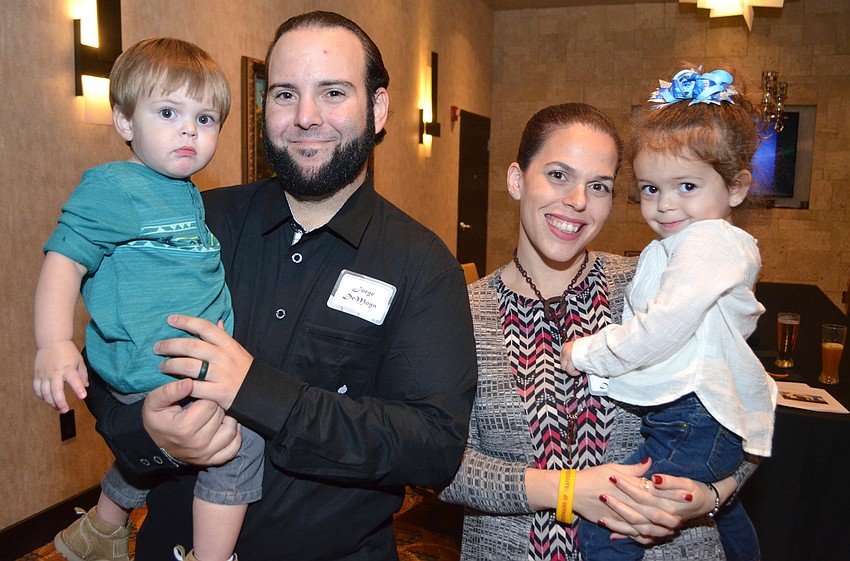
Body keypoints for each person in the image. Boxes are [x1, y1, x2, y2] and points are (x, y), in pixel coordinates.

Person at [82, 11, 478, 561]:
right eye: (285, 94)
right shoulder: (196, 223)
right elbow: (106, 350)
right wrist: (146, 431)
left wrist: (258, 393)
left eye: (333, 92)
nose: (305, 117)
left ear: (379, 108)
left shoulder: (422, 266)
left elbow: (432, 447)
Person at [439, 102, 759, 561]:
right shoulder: (460, 312)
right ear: (516, 180)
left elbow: (742, 411)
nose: (578, 200)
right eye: (558, 175)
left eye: (599, 186)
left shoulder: (658, 288)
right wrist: (566, 490)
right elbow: (439, 464)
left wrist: (708, 497)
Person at [33, 38, 264, 561]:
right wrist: (53, 342)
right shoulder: (115, 186)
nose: (189, 130)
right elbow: (64, 260)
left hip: (177, 364)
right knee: (237, 444)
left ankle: (101, 529)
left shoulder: (184, 192)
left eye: (205, 119)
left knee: (170, 447)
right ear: (124, 122)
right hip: (152, 366)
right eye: (168, 112)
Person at [559, 68, 777, 561]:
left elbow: (661, 329)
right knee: (725, 512)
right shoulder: (679, 246)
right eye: (651, 189)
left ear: (736, 188)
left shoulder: (708, 242)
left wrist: (587, 353)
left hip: (694, 416)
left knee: (609, 524)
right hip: (691, 417)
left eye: (686, 185)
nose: (665, 205)